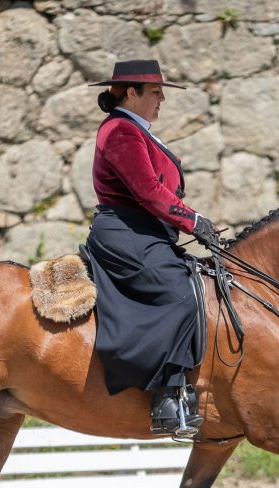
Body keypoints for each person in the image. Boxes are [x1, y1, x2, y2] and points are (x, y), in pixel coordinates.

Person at [84, 59, 219, 438]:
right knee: (178, 293)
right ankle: (167, 396)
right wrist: (194, 221)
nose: (162, 99)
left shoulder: (137, 130)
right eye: (156, 92)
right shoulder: (120, 132)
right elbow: (148, 191)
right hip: (127, 234)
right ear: (132, 92)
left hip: (148, 233)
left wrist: (194, 221)